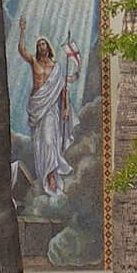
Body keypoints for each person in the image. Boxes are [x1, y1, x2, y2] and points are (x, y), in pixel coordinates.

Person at [18, 18, 82, 195]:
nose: (41, 47)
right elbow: (21, 50)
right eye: (39, 45)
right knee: (41, 143)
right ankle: (46, 176)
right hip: (37, 106)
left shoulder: (56, 67)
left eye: (44, 44)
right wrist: (22, 31)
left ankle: (52, 176)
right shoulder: (34, 62)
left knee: (50, 141)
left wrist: (67, 107)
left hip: (52, 109)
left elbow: (62, 88)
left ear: (48, 48)